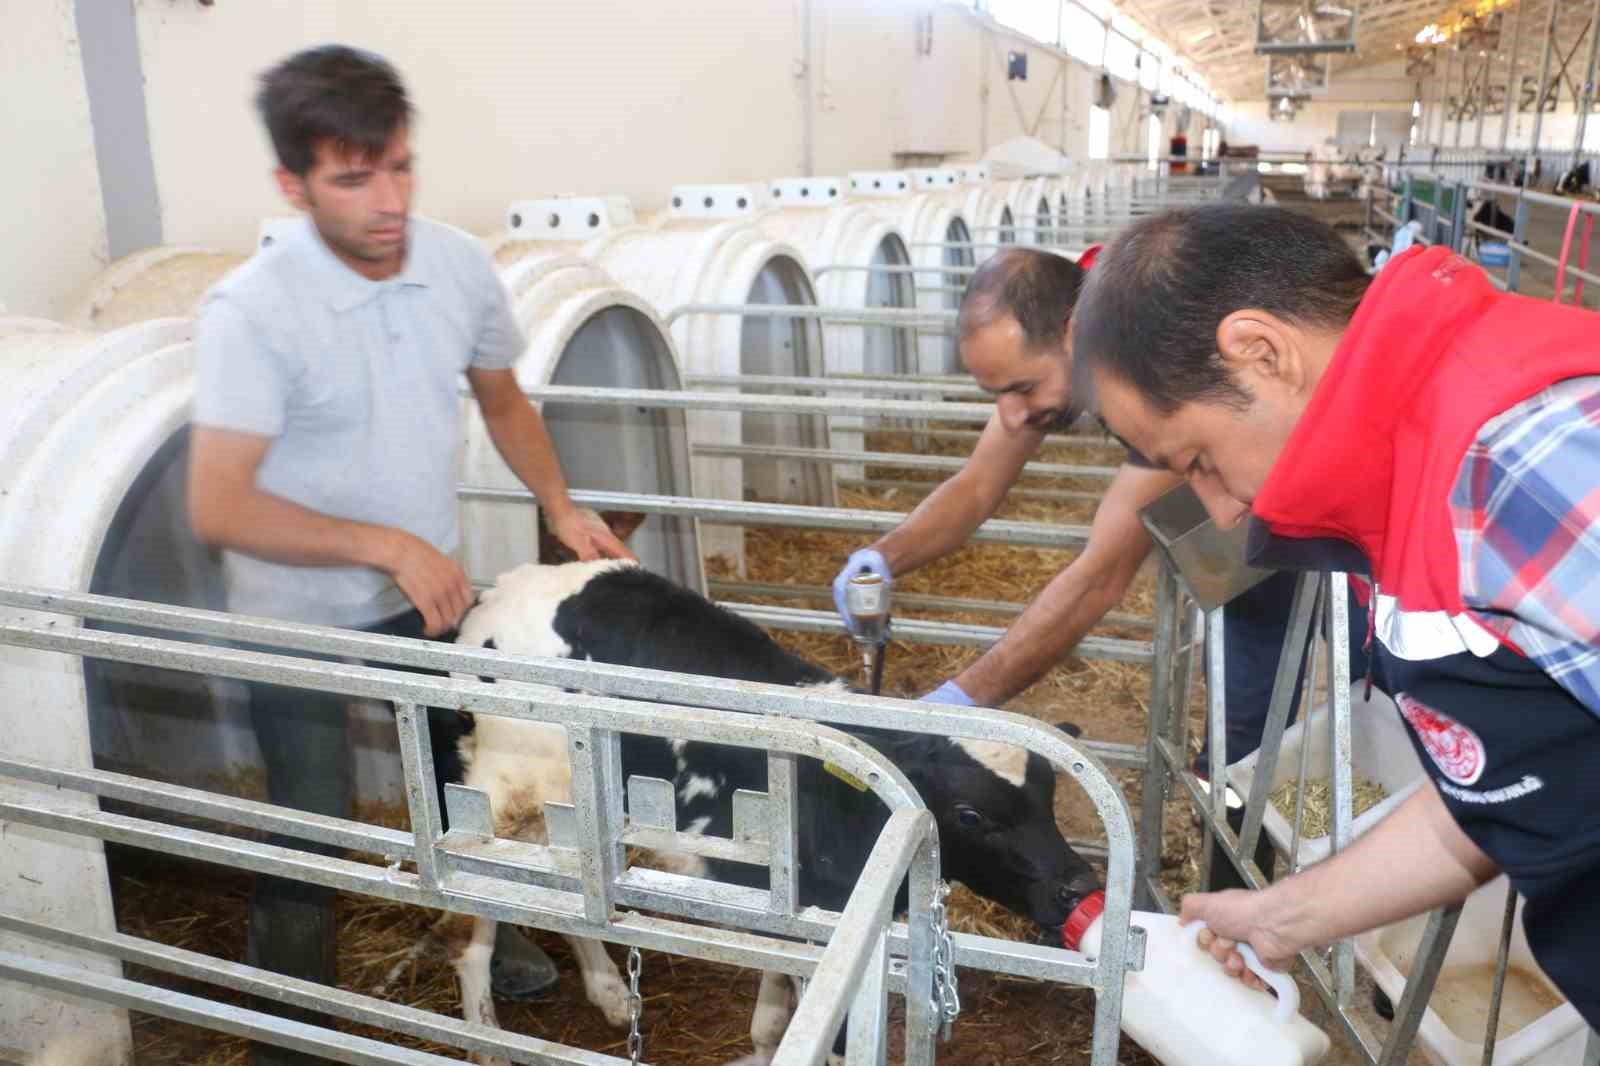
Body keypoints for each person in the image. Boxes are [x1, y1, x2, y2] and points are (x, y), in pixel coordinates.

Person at [187, 45, 631, 1063]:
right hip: (290, 611)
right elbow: (218, 504)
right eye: (353, 178)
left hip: (419, 589)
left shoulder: (454, 265)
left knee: (468, 783)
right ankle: (286, 1033)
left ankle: (497, 941)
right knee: (313, 817)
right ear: (291, 186)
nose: (388, 199)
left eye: (399, 166)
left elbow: (502, 393)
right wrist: (381, 542)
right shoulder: (252, 312)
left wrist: (560, 505)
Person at [1070, 202, 1600, 1027]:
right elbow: (1499, 779)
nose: (1222, 510)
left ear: (1261, 353)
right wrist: (1283, 917)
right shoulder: (1411, 478)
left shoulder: (1525, 467)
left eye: (1200, 460)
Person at [830, 247, 1358, 815]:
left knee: (1356, 703)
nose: (1010, 415)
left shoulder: (1155, 365)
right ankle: (1232, 860)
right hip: (1242, 530)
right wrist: (883, 556)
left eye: (1024, 388)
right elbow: (977, 486)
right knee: (1240, 733)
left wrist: (957, 703)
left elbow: (1101, 574)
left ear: (1073, 334)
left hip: (1337, 509)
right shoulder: (1077, 330)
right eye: (998, 393)